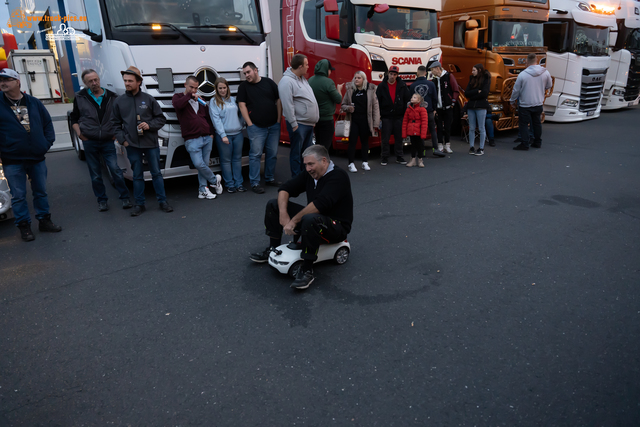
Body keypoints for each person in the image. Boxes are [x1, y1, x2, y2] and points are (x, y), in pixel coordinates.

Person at [249, 145, 353, 290]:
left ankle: (307, 269)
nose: (308, 168)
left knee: (311, 218)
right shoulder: (310, 174)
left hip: (336, 228)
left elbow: (320, 205)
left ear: (324, 161)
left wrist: (293, 221)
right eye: (305, 164)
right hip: (314, 219)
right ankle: (273, 248)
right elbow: (285, 189)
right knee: (274, 205)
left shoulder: (338, 176)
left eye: (311, 164)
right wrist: (284, 214)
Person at [0, 68, 61, 241]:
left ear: (18, 82)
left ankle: (44, 221)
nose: (3, 83)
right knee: (18, 195)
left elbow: (47, 124)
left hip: (36, 157)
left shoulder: (33, 102)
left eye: (7, 79)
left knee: (40, 191)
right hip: (12, 159)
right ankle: (24, 227)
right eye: (1, 80)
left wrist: (45, 144)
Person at [111, 66, 172, 216]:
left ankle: (162, 201)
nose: (127, 83)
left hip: (150, 144)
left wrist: (149, 125)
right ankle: (139, 204)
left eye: (130, 81)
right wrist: (123, 141)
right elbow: (114, 124)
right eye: (125, 80)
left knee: (156, 173)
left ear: (139, 82)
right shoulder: (119, 101)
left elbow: (161, 119)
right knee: (137, 175)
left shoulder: (148, 99)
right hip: (132, 145)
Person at [70, 69, 132, 211]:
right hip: (89, 140)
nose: (94, 83)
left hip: (107, 140)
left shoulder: (112, 96)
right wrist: (80, 133)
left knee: (115, 169)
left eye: (96, 79)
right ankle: (102, 200)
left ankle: (125, 198)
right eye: (90, 81)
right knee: (95, 174)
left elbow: (120, 117)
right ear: (85, 83)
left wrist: (115, 133)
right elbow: (74, 118)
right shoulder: (80, 97)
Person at [172, 75, 222, 200]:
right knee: (198, 164)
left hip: (206, 137)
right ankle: (214, 180)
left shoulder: (200, 100)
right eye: (191, 87)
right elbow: (178, 105)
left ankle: (203, 190)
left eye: (195, 88)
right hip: (192, 138)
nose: (194, 90)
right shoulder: (178, 97)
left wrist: (211, 133)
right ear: (185, 85)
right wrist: (190, 96)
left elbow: (208, 117)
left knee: (204, 165)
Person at [238, 62, 282, 193]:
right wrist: (250, 124)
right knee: (255, 155)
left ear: (255, 70)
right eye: (244, 73)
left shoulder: (269, 83)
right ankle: (255, 183)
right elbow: (242, 105)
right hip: (256, 127)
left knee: (272, 154)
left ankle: (269, 178)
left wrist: (279, 120)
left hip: (273, 125)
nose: (246, 75)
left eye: (248, 72)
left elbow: (278, 100)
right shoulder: (243, 87)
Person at [278, 53, 320, 177]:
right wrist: (294, 124)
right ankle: (296, 178)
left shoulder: (303, 79)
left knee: (306, 153)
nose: (308, 67)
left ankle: (305, 177)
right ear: (300, 66)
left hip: (307, 124)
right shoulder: (286, 81)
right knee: (297, 153)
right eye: (306, 65)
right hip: (299, 124)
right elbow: (287, 104)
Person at [209, 77, 245, 193]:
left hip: (238, 134)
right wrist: (223, 135)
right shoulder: (213, 102)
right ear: (216, 89)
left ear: (227, 88)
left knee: (237, 160)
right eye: (220, 88)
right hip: (224, 136)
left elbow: (241, 113)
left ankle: (239, 183)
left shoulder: (233, 100)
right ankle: (230, 184)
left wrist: (241, 124)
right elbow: (216, 120)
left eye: (224, 88)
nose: (222, 90)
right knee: (225, 161)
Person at [510, 53, 553, 151]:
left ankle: (525, 144)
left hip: (525, 104)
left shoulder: (523, 74)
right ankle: (537, 142)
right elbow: (549, 85)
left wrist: (512, 101)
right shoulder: (545, 72)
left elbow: (516, 90)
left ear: (527, 61)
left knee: (524, 124)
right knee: (537, 123)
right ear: (536, 60)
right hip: (538, 102)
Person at [341, 71, 380, 173]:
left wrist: (376, 123)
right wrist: (348, 108)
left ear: (363, 79)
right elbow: (343, 105)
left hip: (365, 120)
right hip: (353, 120)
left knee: (365, 142)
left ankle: (365, 162)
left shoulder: (370, 90)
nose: (356, 80)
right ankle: (351, 163)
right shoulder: (350, 90)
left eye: (359, 78)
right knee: (352, 142)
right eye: (355, 78)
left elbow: (375, 107)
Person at [376, 65, 411, 165]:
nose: (392, 76)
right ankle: (384, 157)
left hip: (399, 116)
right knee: (385, 138)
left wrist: (405, 114)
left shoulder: (402, 85)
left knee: (399, 138)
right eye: (391, 74)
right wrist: (379, 116)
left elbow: (407, 100)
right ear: (388, 73)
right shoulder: (382, 86)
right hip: (386, 116)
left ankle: (399, 156)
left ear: (397, 75)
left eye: (394, 74)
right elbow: (377, 101)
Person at [409, 65, 445, 158]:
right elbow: (435, 98)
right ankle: (435, 149)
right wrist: (434, 109)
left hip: (418, 112)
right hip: (428, 111)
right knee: (432, 129)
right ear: (425, 73)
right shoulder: (431, 84)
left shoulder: (413, 86)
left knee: (421, 131)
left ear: (417, 73)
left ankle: (422, 151)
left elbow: (411, 100)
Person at [308, 59, 344, 151]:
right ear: (326, 70)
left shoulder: (310, 80)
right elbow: (338, 99)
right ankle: (323, 164)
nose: (331, 72)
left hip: (314, 118)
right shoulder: (328, 82)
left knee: (318, 145)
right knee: (325, 147)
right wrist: (339, 89)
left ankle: (317, 163)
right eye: (330, 70)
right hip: (326, 119)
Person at [429, 61, 460, 154]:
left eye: (432, 69)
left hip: (447, 106)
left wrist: (453, 102)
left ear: (438, 68)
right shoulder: (434, 79)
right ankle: (440, 145)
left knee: (447, 126)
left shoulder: (449, 76)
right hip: (438, 107)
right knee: (438, 127)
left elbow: (455, 89)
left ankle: (447, 144)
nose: (432, 72)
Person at [464, 63, 491, 156]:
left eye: (474, 70)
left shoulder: (486, 79)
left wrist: (473, 95)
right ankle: (472, 146)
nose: (472, 72)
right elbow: (466, 93)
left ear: (479, 70)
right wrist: (476, 91)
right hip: (473, 106)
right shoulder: (472, 79)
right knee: (472, 127)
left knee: (481, 127)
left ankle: (481, 147)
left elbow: (484, 93)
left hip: (480, 106)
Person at [402, 93, 428, 168]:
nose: (412, 98)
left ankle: (420, 160)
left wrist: (423, 133)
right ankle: (413, 160)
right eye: (412, 97)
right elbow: (405, 121)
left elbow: (424, 122)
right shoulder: (408, 109)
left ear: (419, 100)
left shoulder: (422, 109)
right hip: (411, 129)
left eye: (414, 97)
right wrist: (404, 132)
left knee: (420, 145)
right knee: (413, 145)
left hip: (418, 130)